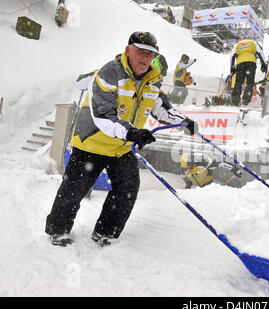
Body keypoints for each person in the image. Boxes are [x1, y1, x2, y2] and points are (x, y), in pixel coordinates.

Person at [45, 31, 198, 247]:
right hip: (92, 142)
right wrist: (132, 133)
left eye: (150, 54)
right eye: (141, 52)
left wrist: (184, 121)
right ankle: (57, 229)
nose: (145, 58)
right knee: (74, 189)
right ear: (128, 50)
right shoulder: (109, 74)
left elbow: (161, 108)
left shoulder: (152, 81)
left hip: (121, 146)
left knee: (127, 188)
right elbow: (104, 115)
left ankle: (105, 233)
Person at [230, 38, 266, 106]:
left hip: (240, 63)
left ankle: (236, 100)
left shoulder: (237, 45)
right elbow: (260, 52)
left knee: (238, 82)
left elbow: (232, 55)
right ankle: (245, 100)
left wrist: (232, 67)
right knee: (250, 82)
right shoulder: (253, 42)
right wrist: (263, 63)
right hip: (251, 63)